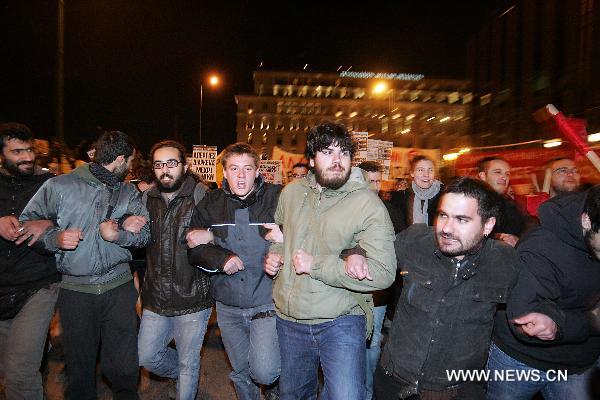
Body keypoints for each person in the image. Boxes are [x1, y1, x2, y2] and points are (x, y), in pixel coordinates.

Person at [265, 122, 396, 400]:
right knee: (294, 395)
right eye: (327, 152)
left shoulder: (368, 204)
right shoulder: (291, 193)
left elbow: (384, 273)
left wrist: (317, 265)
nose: (337, 160)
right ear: (311, 160)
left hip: (342, 318)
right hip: (291, 318)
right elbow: (281, 232)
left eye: (344, 152)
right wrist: (276, 254)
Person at [20, 130, 150, 400]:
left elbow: (146, 234)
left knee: (125, 368)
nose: (132, 167)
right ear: (120, 159)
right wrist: (55, 238)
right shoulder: (60, 186)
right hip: (76, 292)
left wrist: (121, 234)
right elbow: (28, 224)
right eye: (130, 161)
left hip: (119, 288)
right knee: (80, 371)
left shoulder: (128, 191)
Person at [374, 177, 520, 400]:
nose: (447, 228)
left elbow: (536, 297)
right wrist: (356, 254)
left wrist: (546, 315)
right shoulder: (415, 242)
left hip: (456, 390)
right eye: (443, 215)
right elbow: (373, 254)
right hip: (393, 382)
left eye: (462, 219)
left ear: (488, 225)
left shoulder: (503, 260)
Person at [187, 142, 282, 400]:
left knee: (265, 372)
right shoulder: (211, 202)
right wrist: (222, 258)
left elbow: (301, 232)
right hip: (227, 304)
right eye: (234, 168)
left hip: (266, 300)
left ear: (257, 171)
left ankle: (274, 387)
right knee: (240, 369)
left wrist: (282, 243)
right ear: (224, 172)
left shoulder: (277, 197)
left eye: (247, 169)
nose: (241, 176)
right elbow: (194, 247)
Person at [487, 186, 600, 400]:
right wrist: (560, 322)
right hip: (521, 362)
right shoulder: (541, 247)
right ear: (586, 220)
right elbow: (524, 316)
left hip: (579, 361)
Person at [137, 140, 212, 400]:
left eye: (171, 163)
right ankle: (180, 374)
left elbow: (225, 232)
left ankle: (185, 378)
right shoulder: (147, 198)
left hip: (193, 297)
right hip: (156, 297)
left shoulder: (201, 195)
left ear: (185, 165)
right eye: (159, 164)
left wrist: (210, 235)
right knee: (146, 356)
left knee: (188, 363)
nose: (165, 170)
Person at [0, 122, 60, 400]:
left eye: (29, 150)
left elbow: (75, 219)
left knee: (20, 376)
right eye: (17, 151)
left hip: (39, 285)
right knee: (8, 368)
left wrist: (47, 223)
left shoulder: (50, 184)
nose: (27, 157)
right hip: (3, 286)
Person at [358, 160, 405, 400]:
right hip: (349, 289)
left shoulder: (392, 212)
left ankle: (368, 393)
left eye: (378, 181)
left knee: (372, 343)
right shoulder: (347, 209)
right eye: (370, 181)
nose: (374, 186)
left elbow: (399, 253)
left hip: (377, 293)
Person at [477, 156, 526, 246]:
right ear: (483, 176)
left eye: (507, 174)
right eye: (498, 172)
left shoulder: (509, 204)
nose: (504, 177)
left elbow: (526, 224)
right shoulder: (471, 202)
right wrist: (497, 237)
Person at [392, 155, 442, 227]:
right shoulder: (402, 196)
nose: (426, 174)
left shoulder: (443, 197)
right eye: (420, 170)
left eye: (430, 170)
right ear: (412, 173)